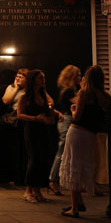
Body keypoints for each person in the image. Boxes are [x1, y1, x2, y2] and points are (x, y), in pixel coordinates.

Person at [59, 65, 109, 217]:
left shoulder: (84, 93)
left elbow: (77, 116)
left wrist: (73, 109)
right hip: (91, 135)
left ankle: (74, 208)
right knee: (84, 166)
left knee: (74, 166)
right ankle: (79, 202)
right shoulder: (105, 97)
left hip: (77, 133)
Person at [17, 69, 57, 203]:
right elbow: (20, 114)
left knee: (42, 159)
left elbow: (51, 105)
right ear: (33, 80)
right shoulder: (25, 97)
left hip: (43, 130)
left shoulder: (43, 95)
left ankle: (37, 190)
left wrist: (51, 113)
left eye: (44, 77)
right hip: (32, 129)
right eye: (41, 78)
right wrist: (36, 118)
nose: (43, 80)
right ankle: (28, 191)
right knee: (33, 159)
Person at [49, 65, 81, 196]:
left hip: (67, 121)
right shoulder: (68, 91)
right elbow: (80, 103)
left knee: (66, 152)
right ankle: (53, 179)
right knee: (62, 151)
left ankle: (60, 180)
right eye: (78, 75)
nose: (80, 77)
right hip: (66, 120)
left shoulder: (69, 90)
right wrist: (84, 89)